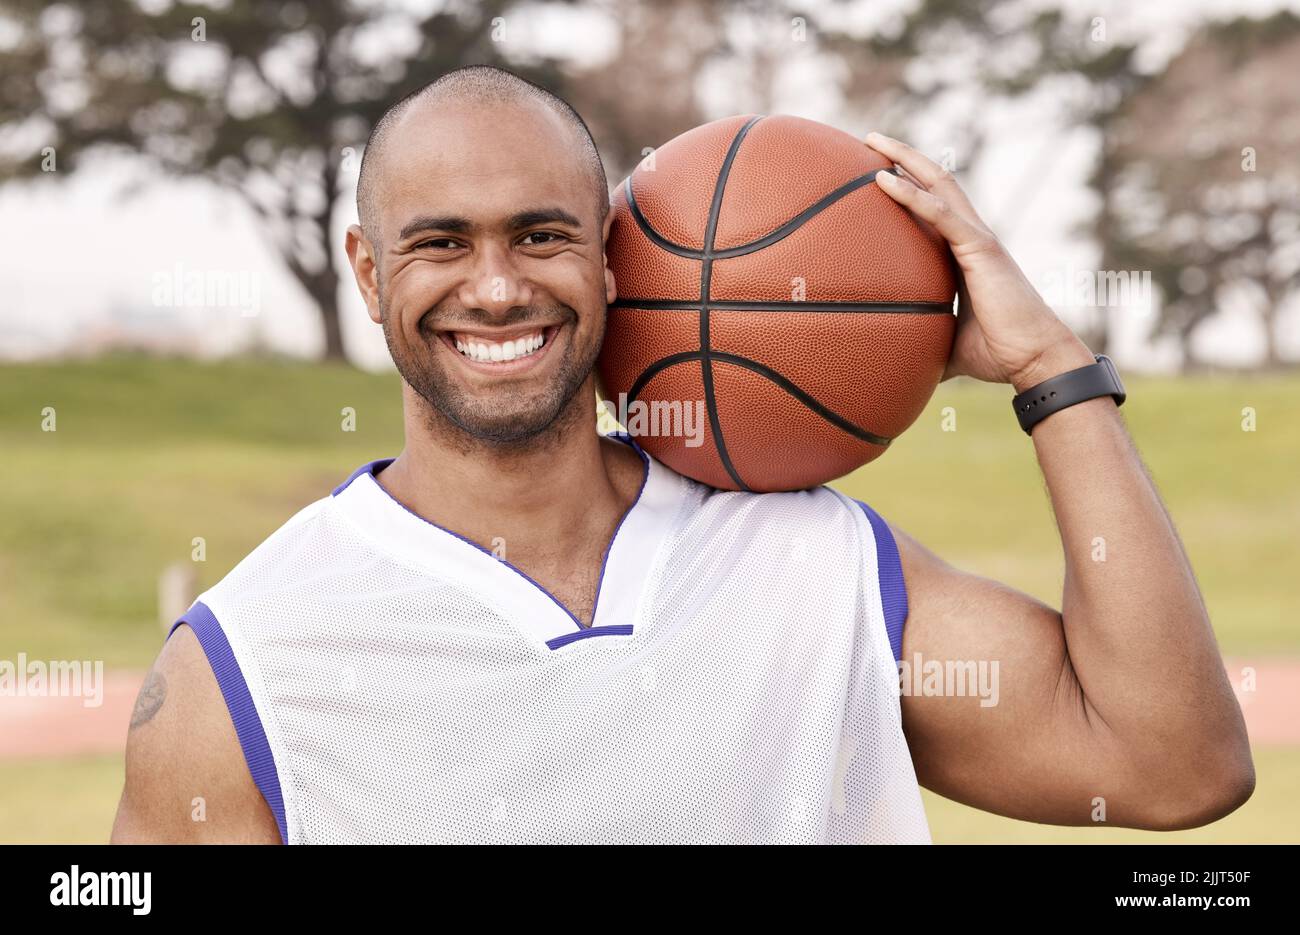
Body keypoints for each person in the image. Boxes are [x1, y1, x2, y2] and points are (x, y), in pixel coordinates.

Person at [110, 65, 1253, 844]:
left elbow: (1174, 766)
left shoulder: (816, 560)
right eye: (440, 243)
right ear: (366, 270)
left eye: (542, 234)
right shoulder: (243, 662)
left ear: (612, 254)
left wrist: (1051, 366)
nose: (498, 285)